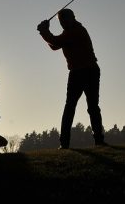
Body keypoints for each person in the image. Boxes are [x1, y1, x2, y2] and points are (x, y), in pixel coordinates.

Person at [37, 8, 106, 149]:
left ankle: (96, 140)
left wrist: (44, 31)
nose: (63, 23)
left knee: (88, 107)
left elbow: (56, 42)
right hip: (80, 71)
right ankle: (66, 143)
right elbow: (55, 46)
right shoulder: (69, 32)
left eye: (64, 20)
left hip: (87, 71)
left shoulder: (77, 31)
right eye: (61, 21)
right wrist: (44, 33)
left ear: (72, 18)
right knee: (74, 107)